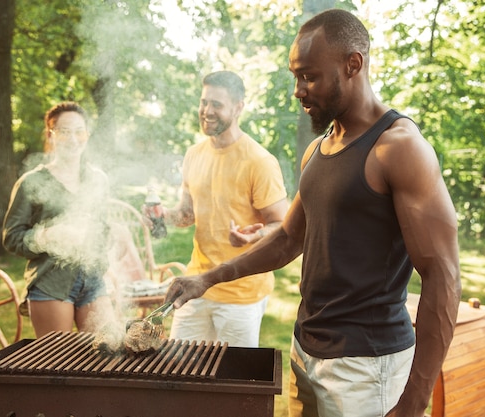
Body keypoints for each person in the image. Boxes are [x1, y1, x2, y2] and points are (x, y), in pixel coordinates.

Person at [164, 9, 461, 417]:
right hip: (306, 351)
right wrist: (208, 279)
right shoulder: (318, 150)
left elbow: (443, 275)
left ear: (352, 64)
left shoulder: (399, 148)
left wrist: (413, 401)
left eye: (309, 76)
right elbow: (288, 239)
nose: (297, 90)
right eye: (295, 76)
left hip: (365, 367)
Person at [146, 71, 288, 348]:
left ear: (238, 107)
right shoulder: (194, 155)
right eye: (203, 102)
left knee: (234, 383)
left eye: (217, 105)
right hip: (195, 285)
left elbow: (281, 225)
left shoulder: (259, 161)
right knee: (178, 373)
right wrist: (164, 216)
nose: (207, 111)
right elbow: (188, 214)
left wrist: (253, 237)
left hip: (241, 293)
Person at [2, 101, 117, 338]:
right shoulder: (31, 182)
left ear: (87, 134)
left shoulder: (98, 179)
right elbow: (11, 237)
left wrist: (108, 243)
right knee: (56, 363)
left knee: (105, 357)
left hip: (93, 282)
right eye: (64, 131)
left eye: (79, 131)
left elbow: (103, 228)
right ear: (50, 135)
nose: (73, 139)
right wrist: (46, 236)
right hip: (51, 283)